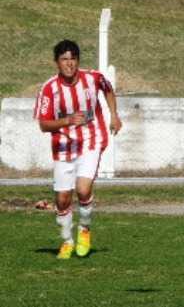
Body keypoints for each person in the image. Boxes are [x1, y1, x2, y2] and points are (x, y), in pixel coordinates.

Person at [34, 39, 122, 259]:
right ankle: (67, 241)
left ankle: (84, 229)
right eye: (64, 59)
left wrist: (114, 115)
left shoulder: (93, 78)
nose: (69, 63)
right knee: (63, 199)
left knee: (83, 190)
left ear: (78, 60)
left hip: (91, 140)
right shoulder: (49, 89)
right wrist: (67, 121)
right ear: (57, 62)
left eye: (73, 58)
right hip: (63, 146)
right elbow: (44, 125)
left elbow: (108, 90)